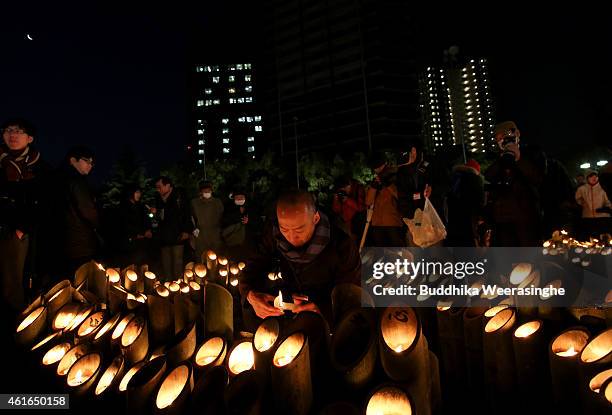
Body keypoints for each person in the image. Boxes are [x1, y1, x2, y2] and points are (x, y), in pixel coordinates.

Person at [239, 189, 361, 330]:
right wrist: (250, 295)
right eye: (284, 229)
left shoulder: (341, 245)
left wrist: (324, 308)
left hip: (329, 321)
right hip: (288, 311)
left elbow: (352, 292)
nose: (291, 237)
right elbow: (252, 267)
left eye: (299, 230)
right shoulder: (273, 236)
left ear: (315, 219)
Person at [0, 118, 48, 314]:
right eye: (8, 130)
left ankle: (17, 324)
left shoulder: (39, 167)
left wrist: (22, 229)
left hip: (21, 232)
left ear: (29, 138)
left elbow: (46, 202)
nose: (13, 135)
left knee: (14, 281)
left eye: (19, 131)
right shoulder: (1, 163)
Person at [484, 121, 543, 247]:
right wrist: (505, 158)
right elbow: (489, 176)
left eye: (503, 137)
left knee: (529, 261)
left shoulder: (532, 155)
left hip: (526, 220)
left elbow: (538, 178)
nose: (500, 141)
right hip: (502, 221)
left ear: (516, 135)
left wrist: (519, 158)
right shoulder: (500, 159)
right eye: (498, 138)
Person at [51, 146, 100, 277]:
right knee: (79, 280)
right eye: (87, 161)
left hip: (57, 241)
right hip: (78, 242)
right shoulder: (77, 181)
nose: (90, 165)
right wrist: (98, 224)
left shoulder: (55, 177)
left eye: (92, 163)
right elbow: (88, 211)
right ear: (73, 160)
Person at [154, 176, 192, 280]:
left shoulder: (179, 196)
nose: (158, 189)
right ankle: (168, 286)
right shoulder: (158, 198)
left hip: (178, 235)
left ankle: (178, 287)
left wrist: (186, 231)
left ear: (168, 185)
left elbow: (186, 214)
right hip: (164, 237)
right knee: (166, 264)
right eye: (157, 187)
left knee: (177, 263)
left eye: (159, 186)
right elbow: (160, 217)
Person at [365, 155, 405, 247]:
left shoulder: (396, 176)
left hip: (393, 222)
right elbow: (368, 202)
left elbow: (400, 196)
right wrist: (374, 186)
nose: (378, 170)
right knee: (382, 253)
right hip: (377, 223)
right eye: (375, 168)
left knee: (398, 252)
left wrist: (387, 183)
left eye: (379, 167)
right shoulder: (375, 180)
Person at [446, 159, 485, 246]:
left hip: (453, 218)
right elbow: (479, 199)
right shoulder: (475, 179)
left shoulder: (454, 178)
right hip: (469, 217)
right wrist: (481, 216)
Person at [117, 184, 152, 267]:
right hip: (130, 243)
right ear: (131, 193)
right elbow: (125, 224)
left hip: (142, 242)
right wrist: (138, 233)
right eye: (137, 192)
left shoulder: (141, 206)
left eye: (140, 192)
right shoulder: (124, 207)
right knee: (131, 266)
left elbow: (146, 220)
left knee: (143, 265)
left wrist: (148, 230)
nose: (139, 195)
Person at [191, 181, 224, 260]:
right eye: (204, 191)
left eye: (208, 191)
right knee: (201, 258)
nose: (207, 193)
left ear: (211, 191)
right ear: (200, 192)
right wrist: (193, 232)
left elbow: (222, 216)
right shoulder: (194, 203)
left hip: (215, 234)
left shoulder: (217, 202)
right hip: (200, 235)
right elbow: (191, 218)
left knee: (215, 257)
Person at [575, 170, 612, 240]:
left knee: (603, 237)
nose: (594, 178)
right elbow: (578, 199)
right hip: (588, 217)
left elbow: (608, 201)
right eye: (591, 176)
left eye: (596, 176)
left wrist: (606, 208)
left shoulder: (603, 187)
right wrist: (584, 204)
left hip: (602, 218)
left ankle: (606, 250)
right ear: (587, 178)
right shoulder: (582, 189)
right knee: (591, 238)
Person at [221, 187, 256, 260]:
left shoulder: (252, 207)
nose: (239, 199)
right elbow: (224, 221)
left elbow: (258, 223)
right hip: (233, 244)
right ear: (234, 198)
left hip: (248, 244)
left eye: (241, 197)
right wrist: (238, 215)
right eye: (237, 197)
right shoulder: (228, 208)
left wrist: (249, 221)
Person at [331, 175, 366, 242]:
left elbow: (361, 208)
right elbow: (336, 210)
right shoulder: (340, 190)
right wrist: (336, 199)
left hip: (356, 223)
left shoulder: (358, 189)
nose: (343, 191)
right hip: (345, 224)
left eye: (344, 189)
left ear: (349, 185)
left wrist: (347, 200)